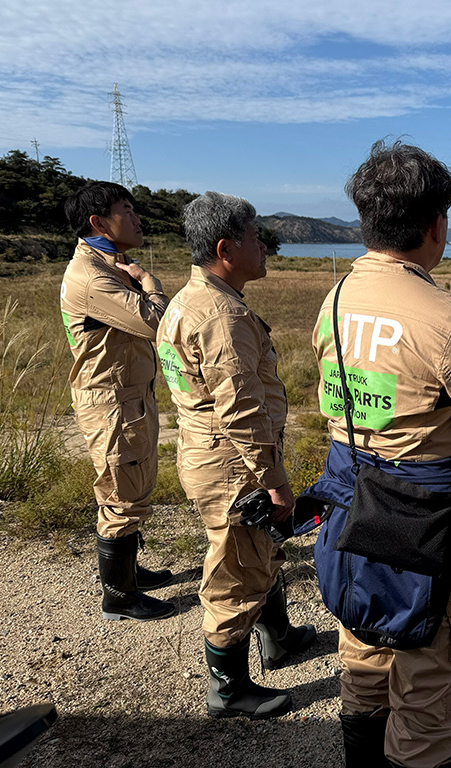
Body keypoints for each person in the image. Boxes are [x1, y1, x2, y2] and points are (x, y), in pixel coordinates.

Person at [312, 141, 451, 768]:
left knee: (363, 639)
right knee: (427, 661)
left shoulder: (337, 299)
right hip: (423, 505)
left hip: (349, 487)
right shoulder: (449, 318)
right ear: (436, 224)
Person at [156, 192, 315, 719]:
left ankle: (279, 638)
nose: (265, 245)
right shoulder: (220, 316)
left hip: (211, 453)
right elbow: (242, 412)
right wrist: (275, 482)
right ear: (226, 248)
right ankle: (228, 691)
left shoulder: (188, 300)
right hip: (234, 464)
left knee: (260, 551)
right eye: (255, 237)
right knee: (235, 571)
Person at [60, 181, 175, 622]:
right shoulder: (93, 277)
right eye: (127, 210)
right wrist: (151, 284)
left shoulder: (109, 265)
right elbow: (157, 323)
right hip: (112, 402)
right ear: (98, 223)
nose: (138, 217)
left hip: (127, 397)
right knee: (119, 494)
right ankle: (119, 597)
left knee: (132, 487)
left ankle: (129, 572)